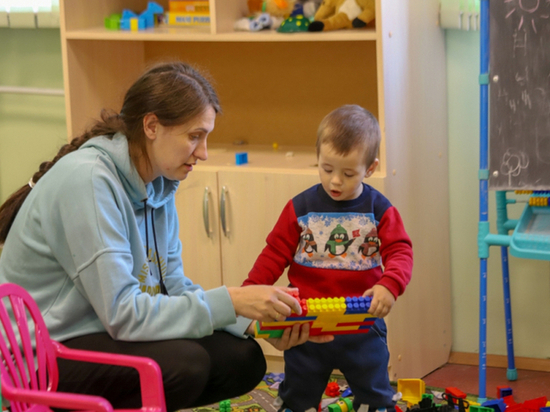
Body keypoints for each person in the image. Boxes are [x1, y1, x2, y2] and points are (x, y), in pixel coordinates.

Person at [0, 61, 316, 411]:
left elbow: (172, 286)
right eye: (194, 136)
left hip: (101, 331)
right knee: (184, 365)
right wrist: (233, 299)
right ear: (151, 125)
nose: (204, 152)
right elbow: (124, 313)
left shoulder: (159, 183)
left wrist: (252, 323)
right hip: (43, 353)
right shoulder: (88, 181)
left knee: (243, 358)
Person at [242, 105, 414, 412]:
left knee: (375, 392)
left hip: (362, 321)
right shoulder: (300, 207)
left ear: (370, 169)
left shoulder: (379, 209)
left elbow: (400, 250)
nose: (335, 181)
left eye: (348, 174)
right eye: (326, 168)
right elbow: (274, 253)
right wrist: (249, 292)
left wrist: (389, 286)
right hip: (305, 322)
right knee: (298, 392)